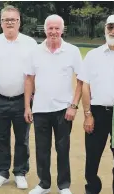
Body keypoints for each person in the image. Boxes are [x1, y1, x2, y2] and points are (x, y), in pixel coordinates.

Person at [78, 14, 114, 194]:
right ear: (105, 29)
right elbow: (85, 85)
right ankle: (92, 188)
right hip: (97, 112)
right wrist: (87, 114)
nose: (113, 31)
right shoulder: (92, 56)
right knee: (93, 155)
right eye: (110, 27)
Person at [25, 14, 83, 194]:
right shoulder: (35, 51)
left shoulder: (72, 51)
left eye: (57, 28)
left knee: (62, 148)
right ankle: (44, 184)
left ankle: (63, 185)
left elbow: (81, 80)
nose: (53, 32)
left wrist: (73, 106)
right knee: (42, 149)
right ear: (45, 29)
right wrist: (27, 106)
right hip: (40, 109)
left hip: (63, 110)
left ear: (62, 30)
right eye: (50, 28)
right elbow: (29, 80)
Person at [0, 5, 37, 190]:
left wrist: (32, 99)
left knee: (22, 139)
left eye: (13, 20)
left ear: (19, 22)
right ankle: (3, 172)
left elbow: (34, 73)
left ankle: (20, 172)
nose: (9, 23)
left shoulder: (30, 43)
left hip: (23, 99)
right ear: (1, 22)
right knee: (1, 138)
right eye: (6, 20)